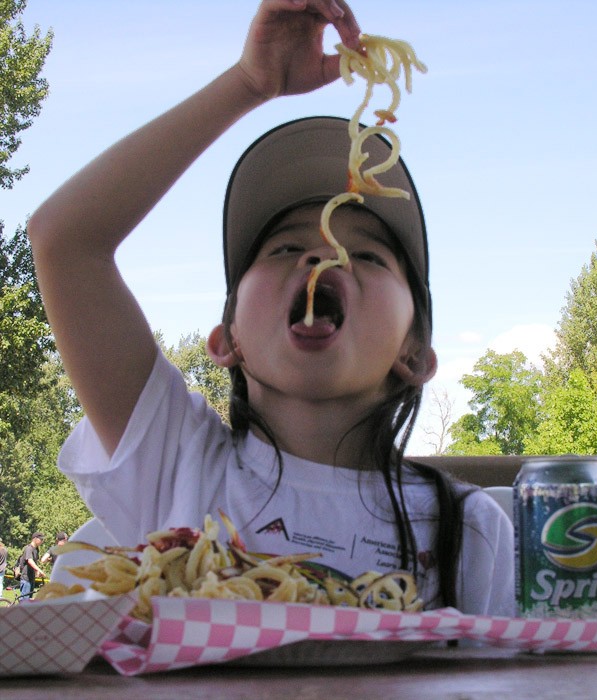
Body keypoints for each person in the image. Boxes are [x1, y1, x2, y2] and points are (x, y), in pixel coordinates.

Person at [27, 0, 514, 615]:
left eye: (367, 256)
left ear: (415, 354)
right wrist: (247, 86)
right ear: (227, 336)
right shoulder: (178, 463)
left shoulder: (470, 529)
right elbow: (64, 240)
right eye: (285, 247)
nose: (325, 256)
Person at [19, 533, 47, 598]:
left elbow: (35, 562)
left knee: (29, 600)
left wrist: (37, 572)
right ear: (35, 539)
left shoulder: (36, 549)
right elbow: (30, 561)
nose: (42, 541)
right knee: (25, 601)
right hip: (26, 579)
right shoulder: (29, 548)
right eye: (41, 539)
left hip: (32, 578)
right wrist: (39, 570)